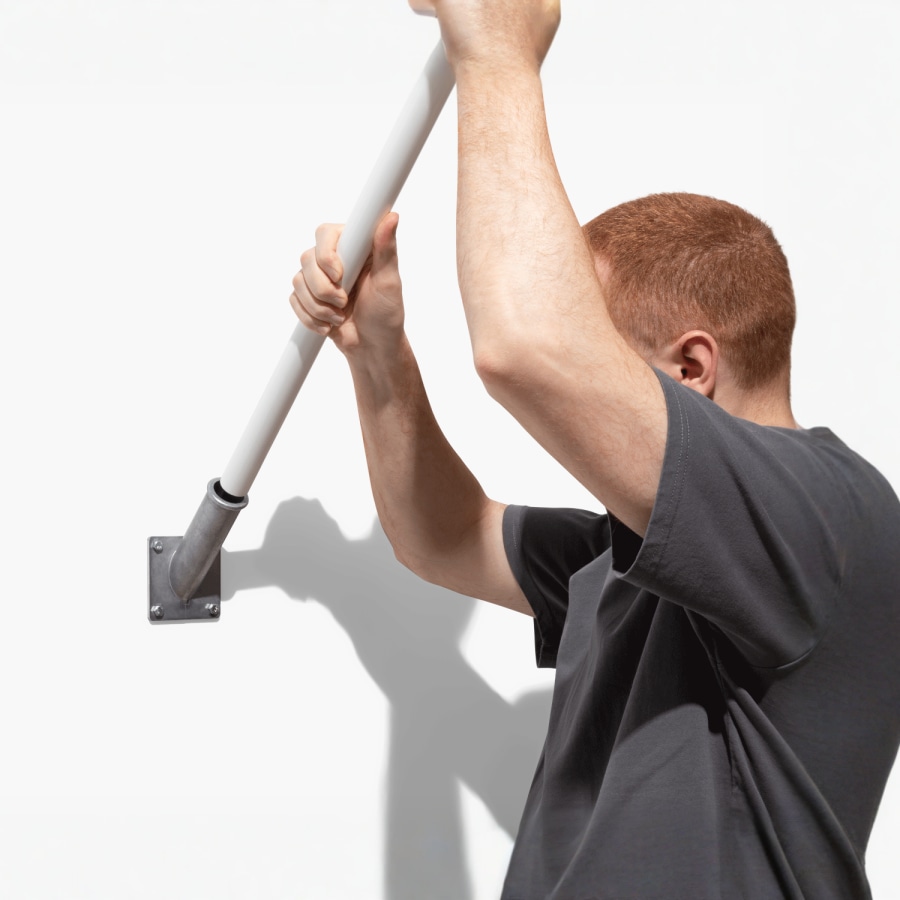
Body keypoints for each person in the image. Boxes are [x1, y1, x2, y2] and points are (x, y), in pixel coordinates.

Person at [289, 1, 900, 896]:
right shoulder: (633, 554)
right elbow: (443, 534)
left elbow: (526, 349)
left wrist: (497, 47)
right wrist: (381, 352)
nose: (584, 382)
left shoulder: (827, 515)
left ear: (691, 366)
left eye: (601, 350)